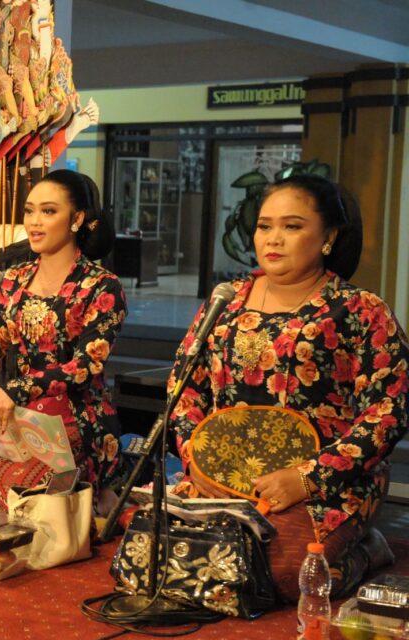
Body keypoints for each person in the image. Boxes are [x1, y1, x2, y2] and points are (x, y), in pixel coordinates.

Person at [168, 174, 409, 602]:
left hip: (325, 481)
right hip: (222, 478)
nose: (273, 239)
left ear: (330, 236)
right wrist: (199, 463)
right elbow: (185, 387)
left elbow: (387, 412)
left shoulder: (360, 310)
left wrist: (307, 479)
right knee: (163, 556)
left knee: (276, 572)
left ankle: (366, 552)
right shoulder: (227, 299)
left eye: (292, 226)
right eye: (265, 226)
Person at [0, 169, 125, 520]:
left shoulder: (101, 286)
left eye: (48, 211)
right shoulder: (12, 280)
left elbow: (85, 366)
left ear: (77, 218)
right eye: (29, 211)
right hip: (21, 421)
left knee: (18, 505)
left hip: (76, 423)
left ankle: (98, 497)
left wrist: (16, 389)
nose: (35, 222)